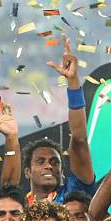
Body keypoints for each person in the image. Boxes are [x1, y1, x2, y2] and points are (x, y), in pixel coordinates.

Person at [23, 38, 97, 204]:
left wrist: (73, 81)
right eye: (40, 162)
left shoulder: (74, 193)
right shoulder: (17, 208)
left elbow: (79, 138)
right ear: (27, 171)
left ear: (62, 172)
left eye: (55, 162)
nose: (49, 166)